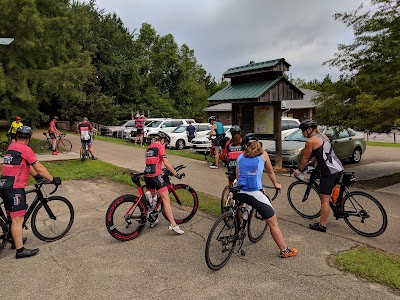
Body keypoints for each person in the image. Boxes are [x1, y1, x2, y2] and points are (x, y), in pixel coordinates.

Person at [0, 126, 61, 259]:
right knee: (18, 219)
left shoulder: (12, 146)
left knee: (12, 217)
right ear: (29, 137)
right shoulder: (25, 149)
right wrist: (52, 179)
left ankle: (13, 239)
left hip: (4, 185)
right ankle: (20, 250)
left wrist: (36, 177)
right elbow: (39, 168)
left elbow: (25, 164)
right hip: (14, 188)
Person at [235, 137, 298, 258]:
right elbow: (270, 172)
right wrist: (276, 184)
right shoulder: (263, 155)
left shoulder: (240, 157)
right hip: (254, 193)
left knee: (243, 204)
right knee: (273, 222)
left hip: (240, 191)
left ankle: (241, 219)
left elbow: (239, 177)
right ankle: (284, 250)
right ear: (260, 146)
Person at [294, 119, 343, 233]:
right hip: (338, 168)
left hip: (328, 172)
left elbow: (305, 158)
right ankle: (337, 207)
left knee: (324, 200)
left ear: (309, 130)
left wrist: (300, 170)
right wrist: (314, 163)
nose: (302, 134)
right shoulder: (323, 136)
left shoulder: (311, 141)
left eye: (303, 131)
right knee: (331, 192)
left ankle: (322, 225)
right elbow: (321, 152)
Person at [144, 131, 185, 234]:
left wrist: (160, 168)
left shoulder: (149, 147)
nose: (165, 145)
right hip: (156, 176)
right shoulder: (160, 147)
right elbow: (166, 162)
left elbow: (153, 162)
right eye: (165, 142)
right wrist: (175, 174)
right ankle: (174, 225)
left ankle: (152, 218)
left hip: (147, 176)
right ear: (162, 140)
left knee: (151, 203)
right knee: (166, 199)